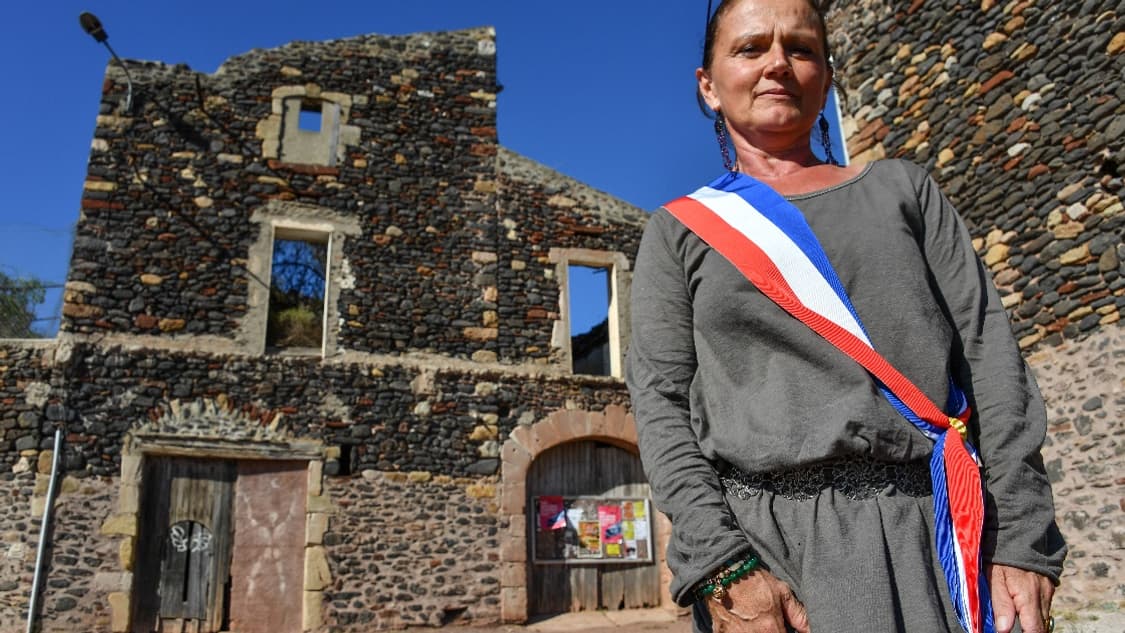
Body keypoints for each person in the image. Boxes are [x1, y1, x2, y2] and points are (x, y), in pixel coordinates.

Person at [624, 1, 1066, 632]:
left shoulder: (904, 192)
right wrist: (723, 565)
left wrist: (1022, 536)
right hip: (772, 560)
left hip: (941, 536)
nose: (777, 63)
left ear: (827, 78)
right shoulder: (679, 231)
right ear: (708, 86)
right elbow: (661, 404)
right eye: (750, 49)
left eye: (800, 49)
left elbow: (989, 352)